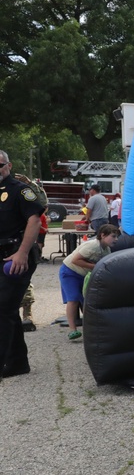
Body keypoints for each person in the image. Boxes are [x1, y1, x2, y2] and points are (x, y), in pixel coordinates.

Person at [0, 150, 44, 378]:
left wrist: (22, 253)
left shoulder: (20, 190)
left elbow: (34, 220)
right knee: (7, 309)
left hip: (17, 256)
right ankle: (18, 363)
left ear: (8, 165)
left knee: (3, 307)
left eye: (0, 165)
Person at [59, 223, 119, 341]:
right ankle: (73, 330)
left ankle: (90, 328)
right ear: (102, 235)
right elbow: (76, 260)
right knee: (74, 299)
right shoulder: (92, 246)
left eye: (117, 237)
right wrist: (95, 266)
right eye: (113, 236)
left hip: (83, 275)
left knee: (87, 300)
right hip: (69, 272)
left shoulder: (106, 250)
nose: (116, 239)